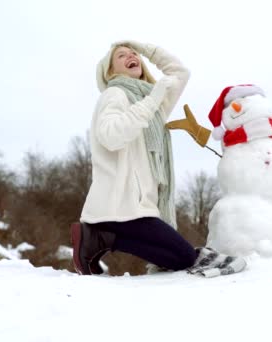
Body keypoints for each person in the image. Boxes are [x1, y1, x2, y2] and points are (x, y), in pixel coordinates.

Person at [70, 40, 197, 275]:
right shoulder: (115, 94)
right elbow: (110, 136)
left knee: (178, 258)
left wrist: (145, 48)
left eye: (134, 54)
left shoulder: (152, 103)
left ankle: (101, 238)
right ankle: (99, 238)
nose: (132, 56)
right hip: (118, 206)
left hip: (139, 207)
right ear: (110, 71)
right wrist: (152, 100)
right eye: (121, 55)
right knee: (184, 256)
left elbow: (180, 72)